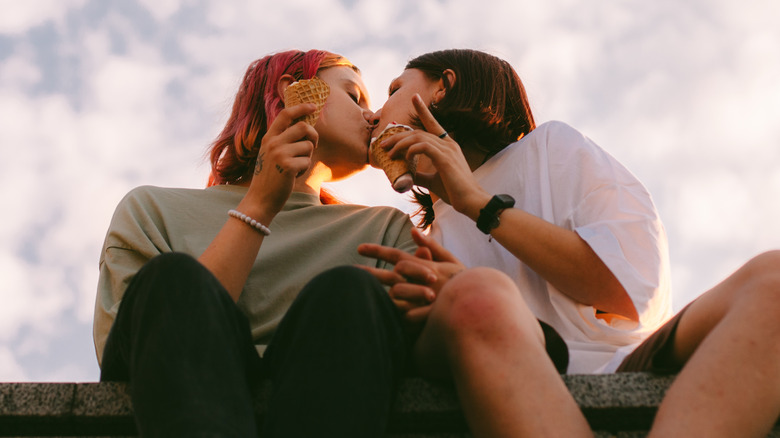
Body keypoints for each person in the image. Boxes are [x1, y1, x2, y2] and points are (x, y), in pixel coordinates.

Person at [360, 48, 780, 438]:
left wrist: (480, 205)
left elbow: (633, 287)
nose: (375, 115)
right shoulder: (420, 238)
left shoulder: (547, 149)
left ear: (443, 86)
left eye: (394, 90)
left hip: (619, 363)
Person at [93, 49, 418, 437]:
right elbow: (137, 351)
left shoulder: (385, 230)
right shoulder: (152, 209)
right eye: (354, 96)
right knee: (176, 277)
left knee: (349, 288)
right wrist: (260, 205)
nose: (374, 115)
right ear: (296, 91)